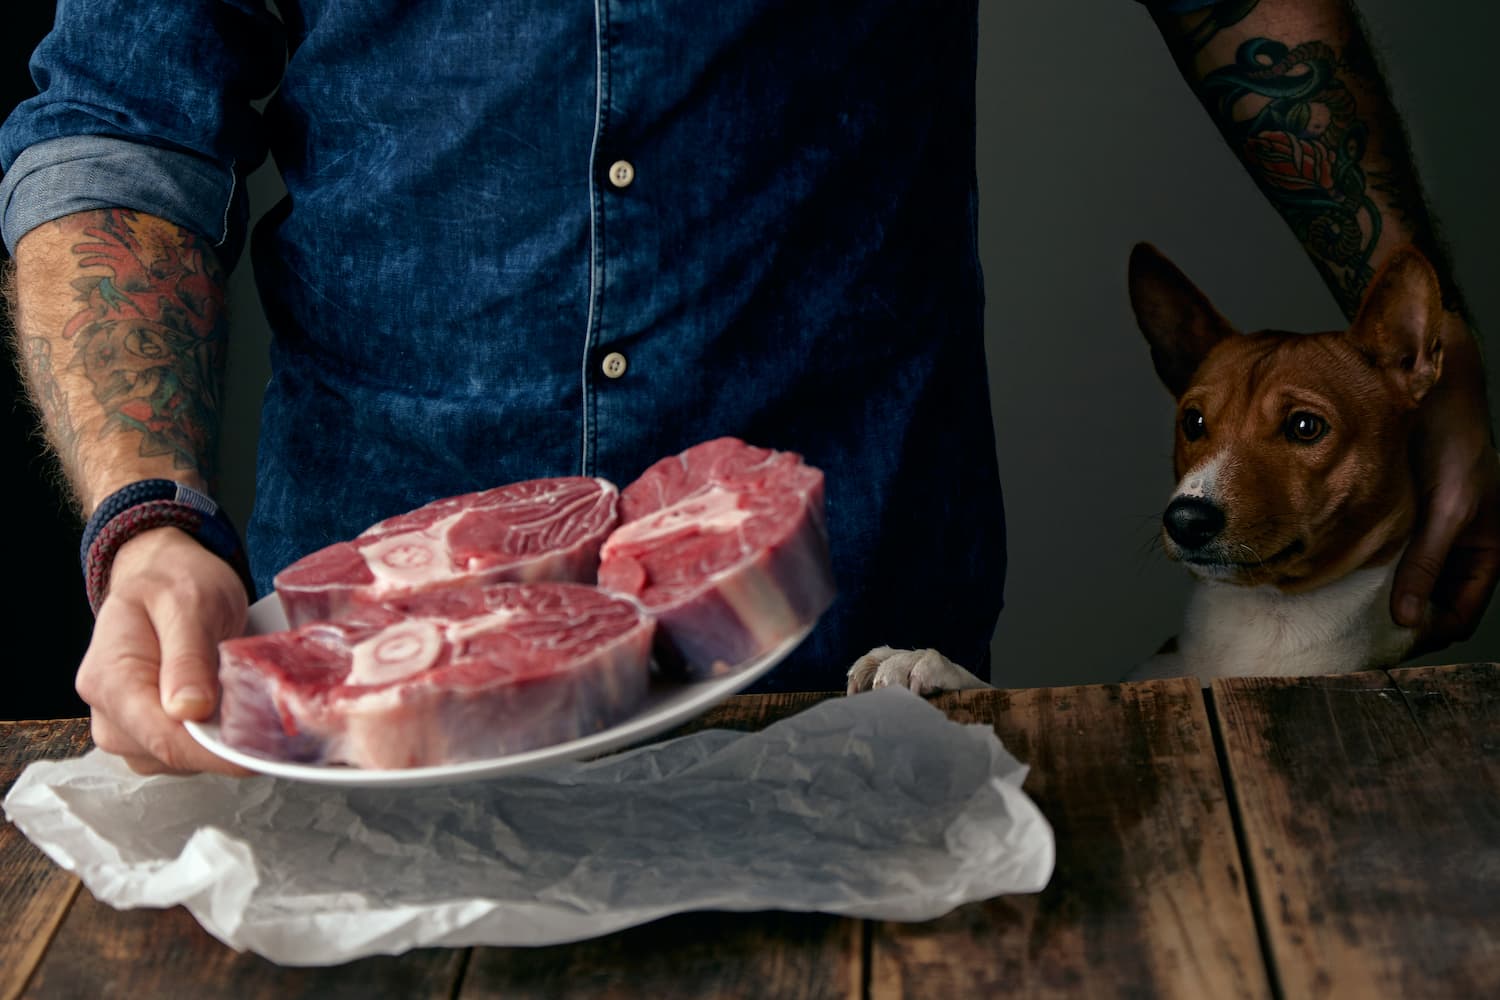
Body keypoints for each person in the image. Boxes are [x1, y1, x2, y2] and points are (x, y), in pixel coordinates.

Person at [2, 1, 1496, 775]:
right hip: (378, 683)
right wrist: (145, 519)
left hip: (842, 651)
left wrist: (1410, 353)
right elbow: (122, 114)